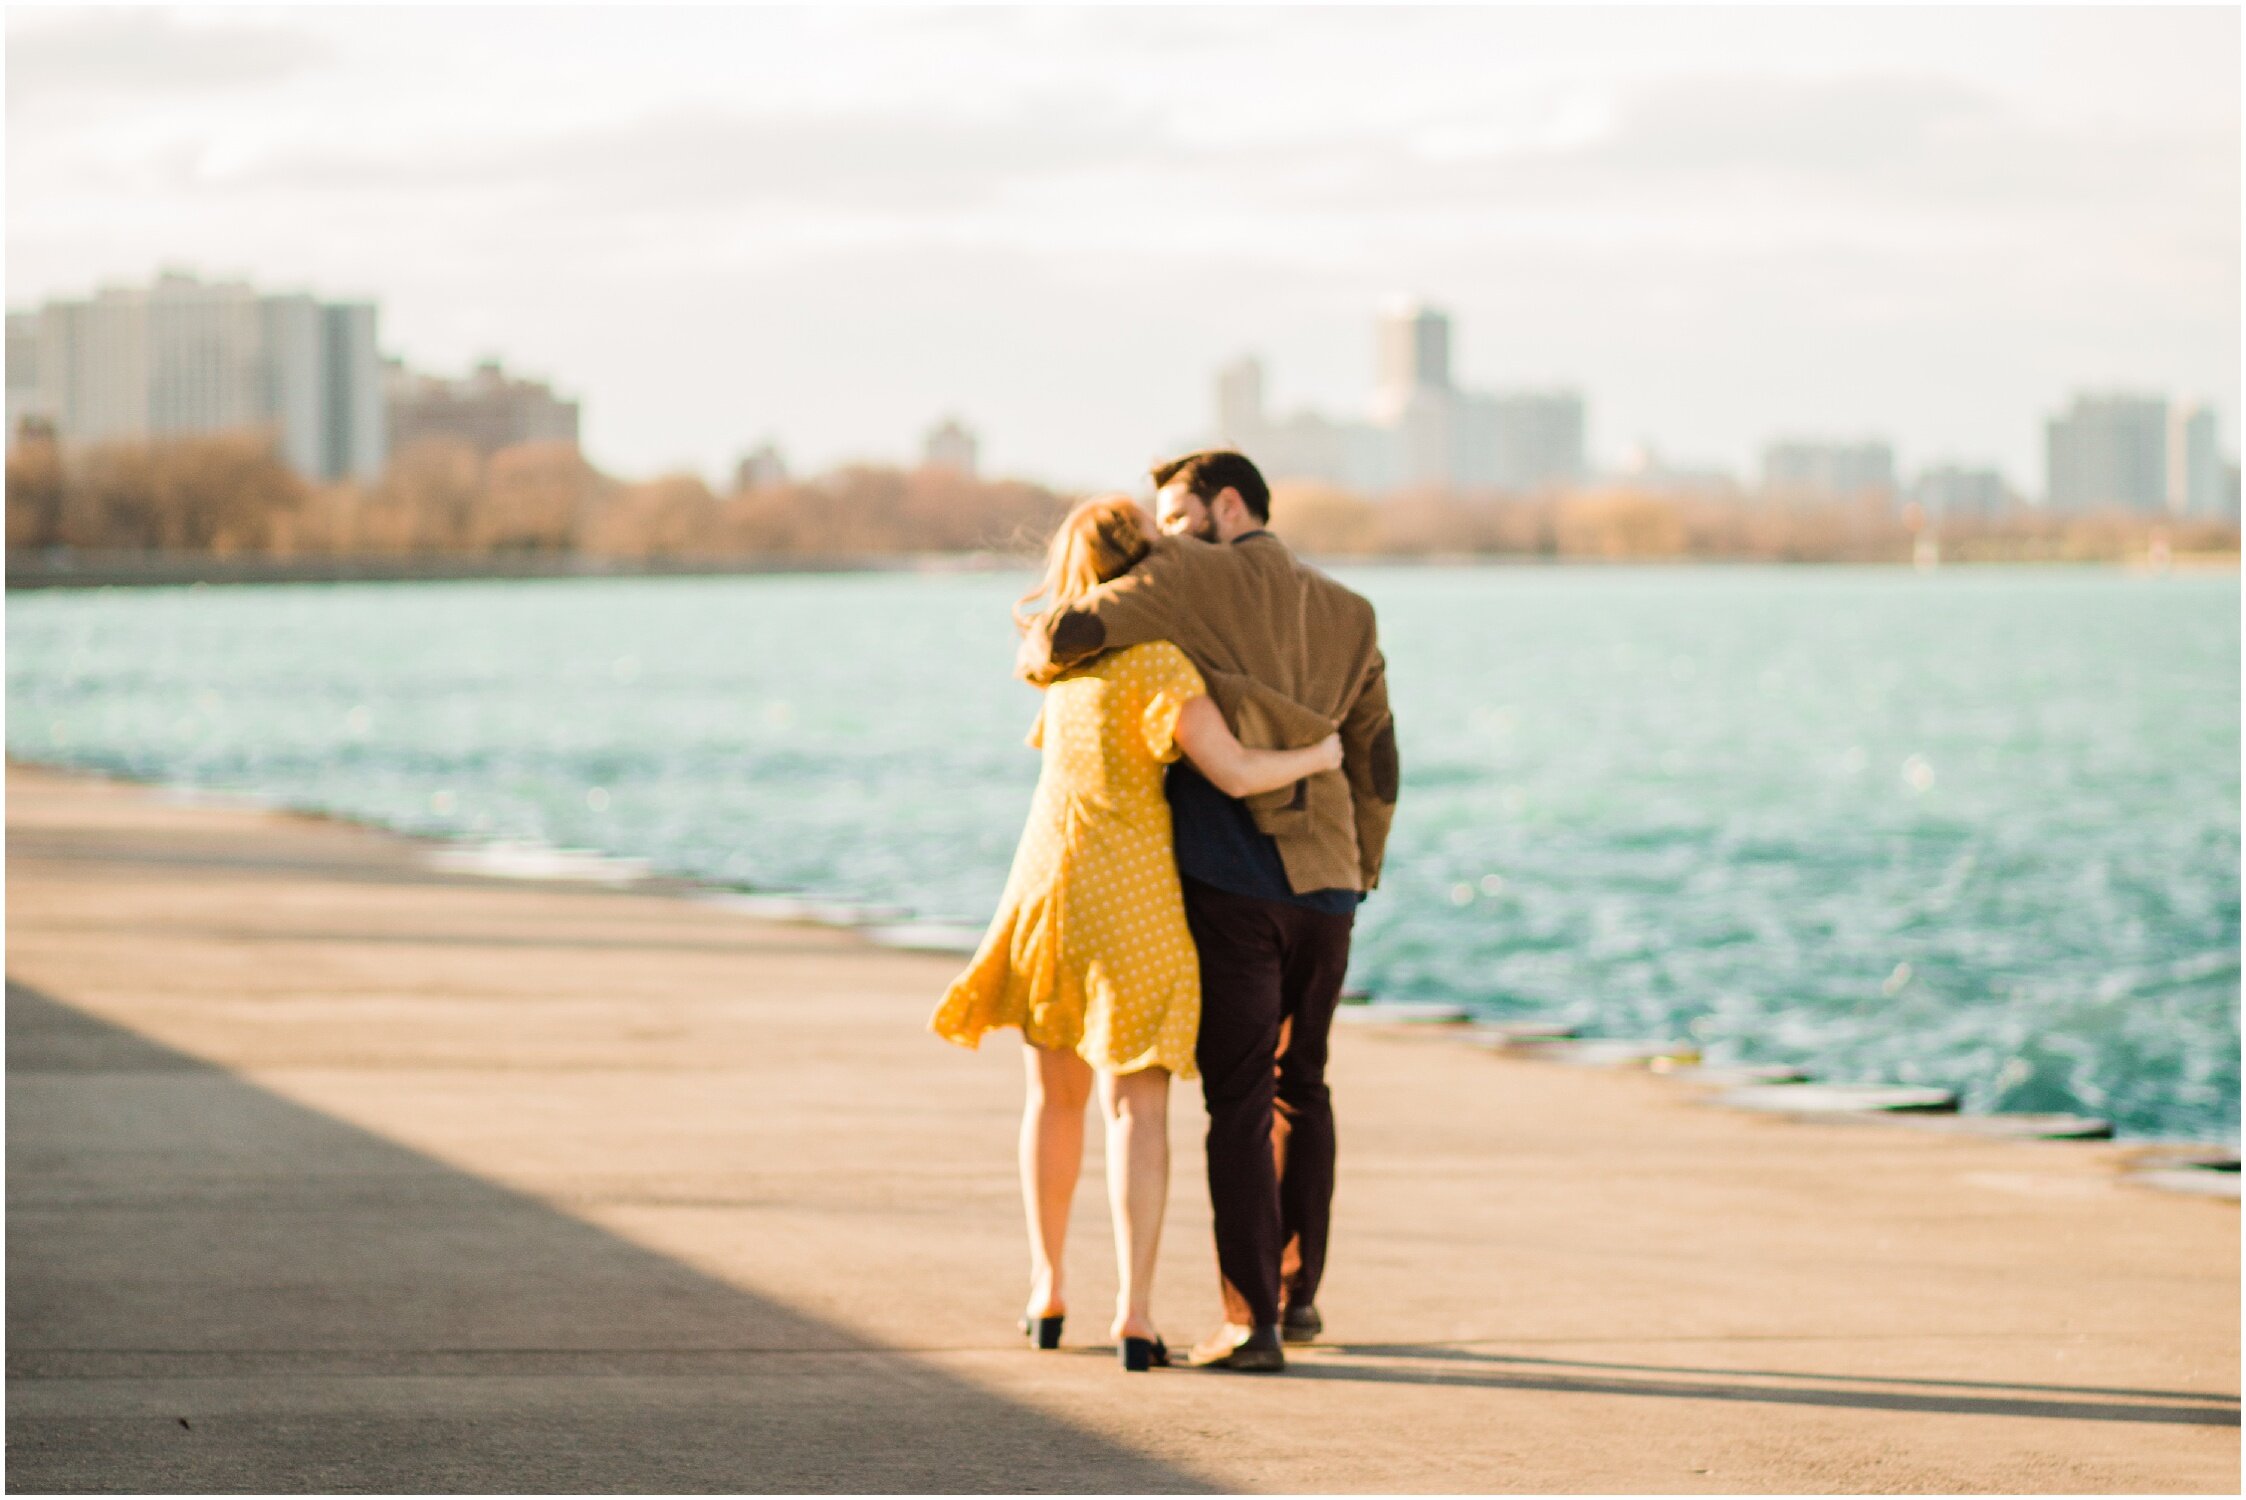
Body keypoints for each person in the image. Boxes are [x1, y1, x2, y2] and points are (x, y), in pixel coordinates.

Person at [931, 493, 1344, 1373]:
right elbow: (1230, 772)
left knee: (1052, 1100)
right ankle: (1136, 1314)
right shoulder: (1159, 664)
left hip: (1047, 892)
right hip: (1132, 903)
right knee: (1136, 1108)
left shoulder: (1057, 665)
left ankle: (1046, 1291)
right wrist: (1318, 756)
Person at [1015, 451, 1399, 1374]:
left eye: (1179, 515)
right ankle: (1300, 1297)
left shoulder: (1187, 573)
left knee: (1239, 1099)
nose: (1166, 535)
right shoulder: (1351, 610)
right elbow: (1377, 757)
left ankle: (1250, 1323)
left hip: (1237, 882)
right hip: (1332, 881)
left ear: (1228, 507)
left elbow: (1070, 631)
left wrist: (1037, 656)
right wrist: (1359, 870)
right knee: (1303, 1084)